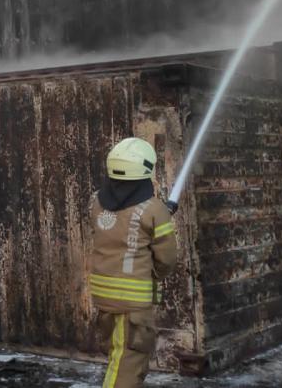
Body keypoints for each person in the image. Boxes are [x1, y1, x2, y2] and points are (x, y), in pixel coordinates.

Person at [90, 137, 178, 388]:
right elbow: (167, 259)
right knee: (130, 361)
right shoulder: (154, 210)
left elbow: (122, 225)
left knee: (118, 355)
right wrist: (156, 273)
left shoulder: (96, 202)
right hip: (133, 303)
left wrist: (160, 214)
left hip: (104, 298)